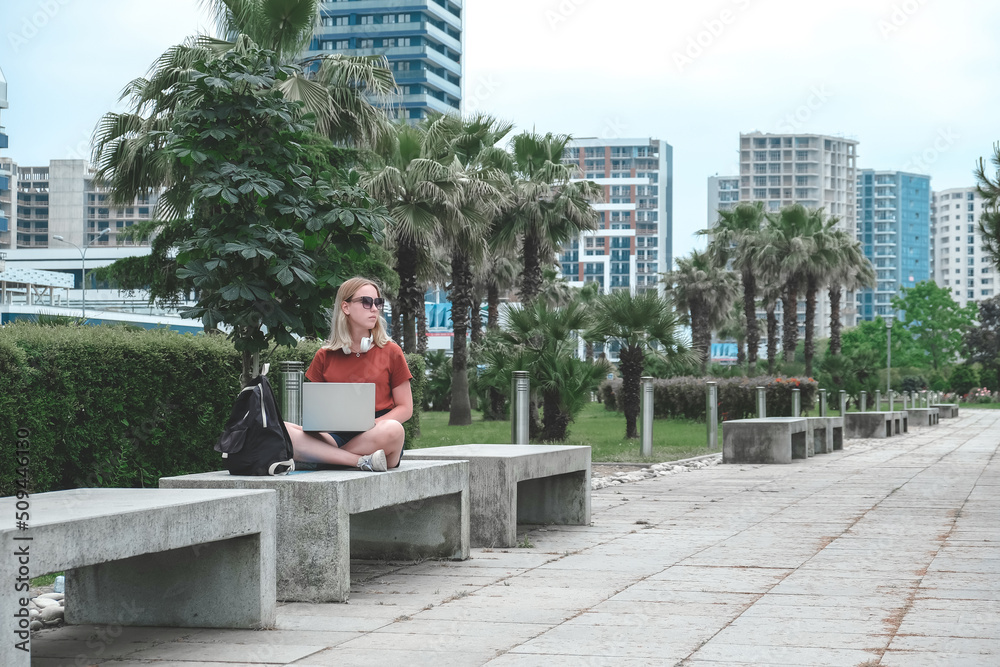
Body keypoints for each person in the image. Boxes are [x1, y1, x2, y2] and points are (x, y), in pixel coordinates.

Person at [285, 277, 411, 472]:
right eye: (366, 302)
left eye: (377, 303)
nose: (374, 308)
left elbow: (405, 408)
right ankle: (359, 461)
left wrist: (371, 424)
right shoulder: (324, 355)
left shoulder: (391, 351)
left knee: (394, 430)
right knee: (282, 429)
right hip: (334, 434)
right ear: (346, 307)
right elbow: (314, 413)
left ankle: (320, 457)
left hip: (377, 433)